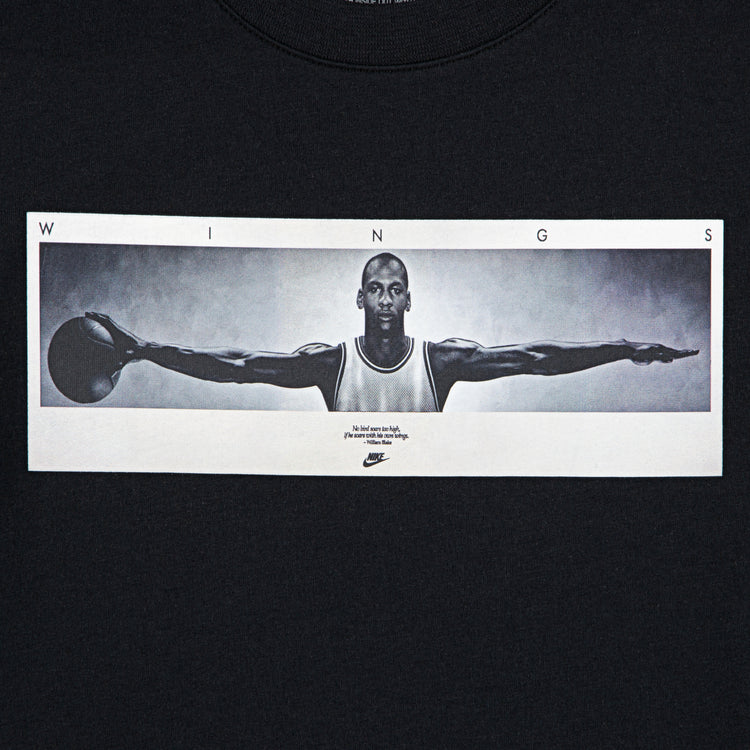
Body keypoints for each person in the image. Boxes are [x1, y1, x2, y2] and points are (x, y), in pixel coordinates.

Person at [86, 252, 699, 412]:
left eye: (395, 289)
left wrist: (623, 349)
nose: (385, 299)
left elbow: (537, 357)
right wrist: (144, 350)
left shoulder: (443, 361)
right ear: (361, 299)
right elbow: (239, 367)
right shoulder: (329, 364)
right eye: (375, 289)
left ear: (408, 299)